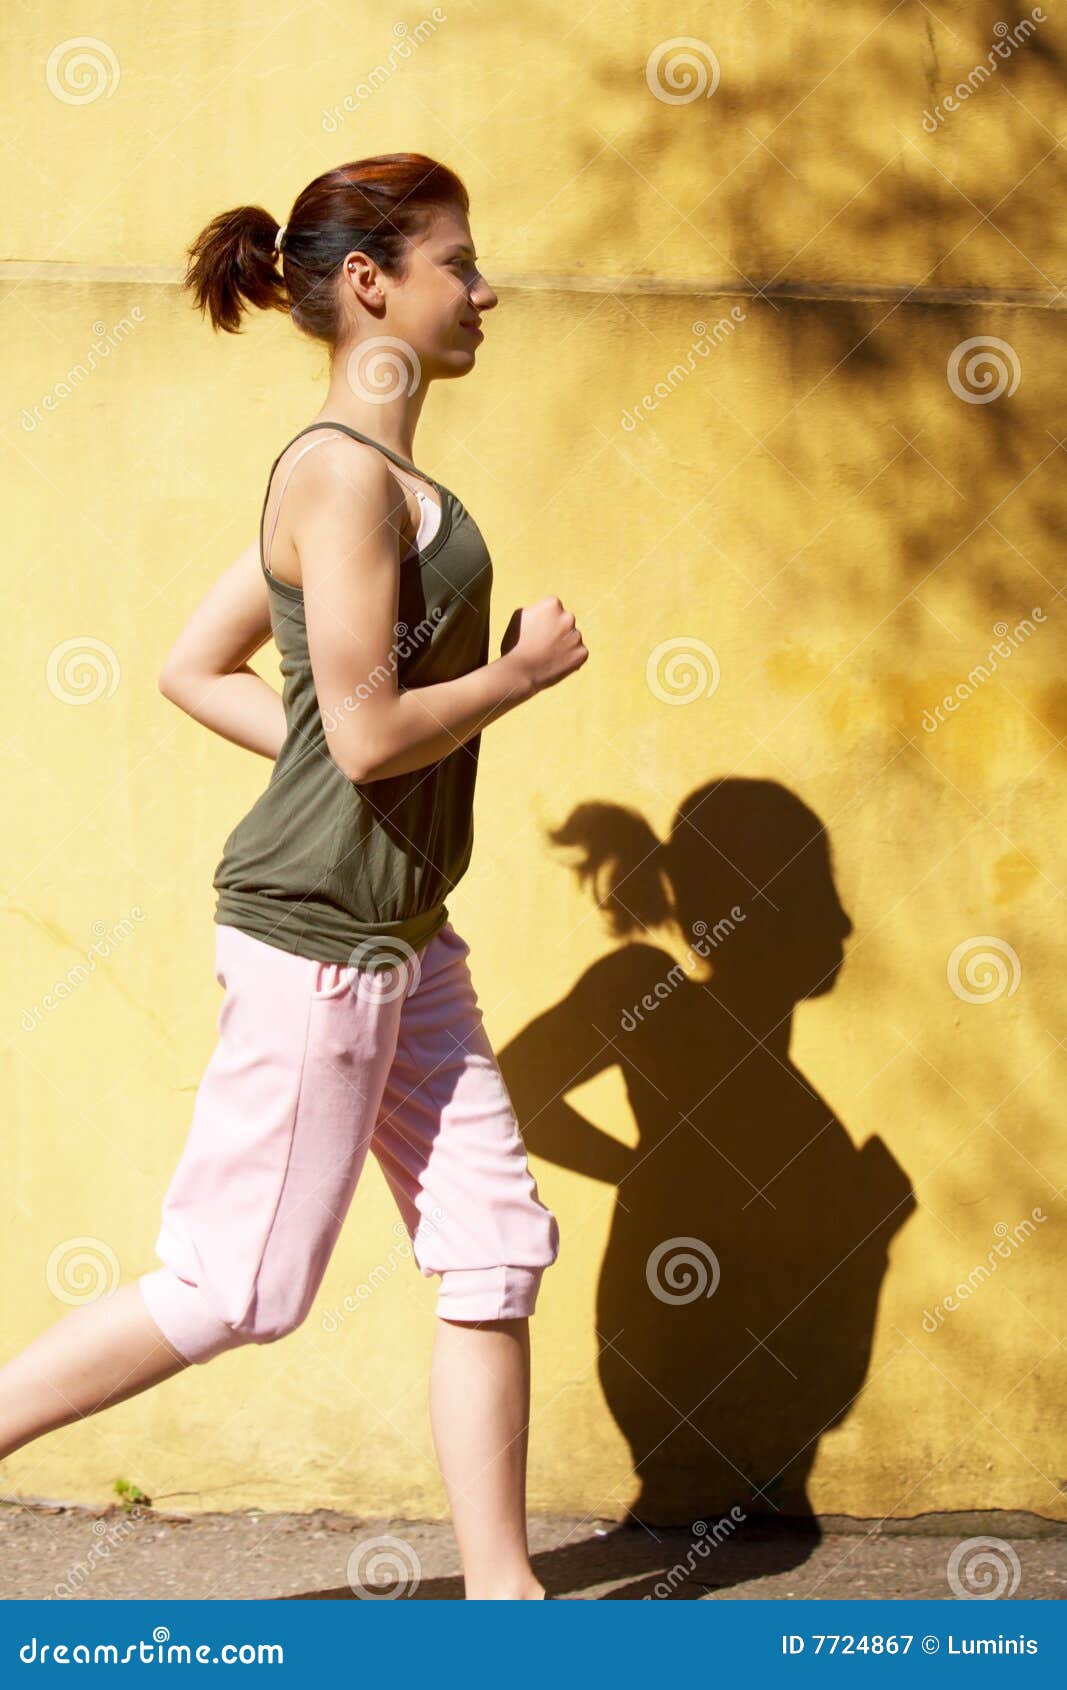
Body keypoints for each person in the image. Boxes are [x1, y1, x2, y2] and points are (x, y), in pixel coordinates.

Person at [0, 153, 587, 1601]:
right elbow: (375, 731)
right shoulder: (338, 478)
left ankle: (504, 1600)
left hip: (406, 932)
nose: (485, 288)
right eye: (459, 262)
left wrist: (322, 755)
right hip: (318, 935)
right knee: (235, 1290)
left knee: (493, 1244)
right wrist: (515, 675)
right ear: (374, 286)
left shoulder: (379, 477)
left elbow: (200, 670)